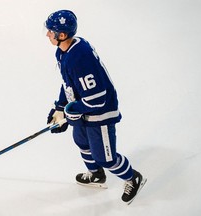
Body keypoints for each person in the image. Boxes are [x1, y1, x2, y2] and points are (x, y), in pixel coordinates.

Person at [45, 10, 146, 204]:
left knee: (105, 158)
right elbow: (69, 83)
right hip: (84, 108)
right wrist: (60, 107)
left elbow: (97, 99)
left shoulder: (80, 59)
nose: (48, 34)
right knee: (81, 141)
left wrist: (71, 112)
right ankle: (96, 175)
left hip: (100, 112)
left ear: (62, 35)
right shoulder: (63, 51)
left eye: (51, 31)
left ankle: (133, 177)